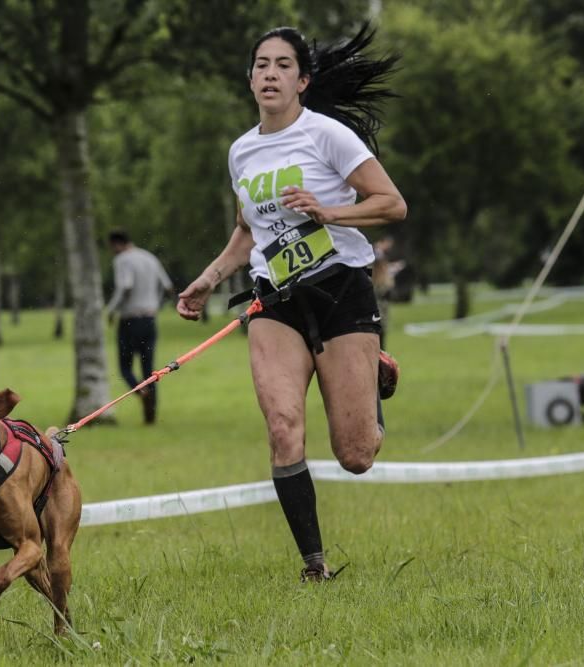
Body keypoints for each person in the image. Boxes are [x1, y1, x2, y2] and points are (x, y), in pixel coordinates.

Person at [176, 26, 407, 582]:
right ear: (250, 79)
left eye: (283, 65)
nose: (270, 74)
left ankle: (372, 369)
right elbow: (248, 230)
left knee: (355, 456)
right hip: (275, 300)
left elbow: (392, 204)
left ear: (302, 80)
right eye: (261, 65)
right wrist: (208, 279)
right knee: (282, 428)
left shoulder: (328, 136)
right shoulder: (242, 151)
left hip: (340, 290)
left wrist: (329, 211)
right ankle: (314, 565)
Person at [106, 230, 174, 424]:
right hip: (149, 320)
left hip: (129, 320)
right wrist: (155, 304)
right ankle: (150, 416)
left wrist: (111, 310)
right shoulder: (149, 257)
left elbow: (125, 286)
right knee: (149, 370)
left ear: (116, 244)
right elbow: (168, 286)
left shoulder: (123, 260)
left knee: (125, 367)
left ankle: (141, 392)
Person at [371, 235, 405, 350]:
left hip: (381, 301)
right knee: (380, 331)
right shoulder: (376, 253)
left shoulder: (380, 258)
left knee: (382, 332)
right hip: (378, 302)